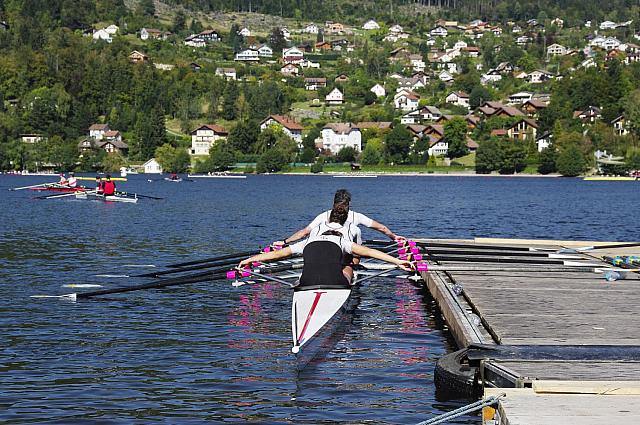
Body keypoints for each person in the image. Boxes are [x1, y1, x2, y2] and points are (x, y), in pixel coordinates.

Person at [239, 204, 413, 288]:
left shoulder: (306, 242)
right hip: (336, 282)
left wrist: (249, 259)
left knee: (305, 271)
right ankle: (347, 274)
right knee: (348, 265)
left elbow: (276, 255)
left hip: (306, 283)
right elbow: (371, 252)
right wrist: (398, 262)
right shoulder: (343, 242)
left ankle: (303, 281)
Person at [275, 189, 404, 247]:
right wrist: (393, 237)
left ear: (333, 203)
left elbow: (304, 232)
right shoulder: (356, 216)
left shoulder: (323, 215)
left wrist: (285, 242)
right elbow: (381, 228)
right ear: (349, 204)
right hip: (345, 251)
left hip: (321, 249)